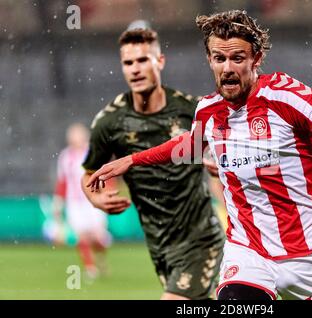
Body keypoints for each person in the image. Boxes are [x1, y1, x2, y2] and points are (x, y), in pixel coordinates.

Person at [86, 10, 312, 300]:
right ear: (210, 60)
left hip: (308, 253)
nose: (227, 68)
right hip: (248, 251)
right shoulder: (207, 111)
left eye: (237, 58)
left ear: (256, 59)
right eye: (219, 58)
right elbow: (188, 148)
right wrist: (128, 160)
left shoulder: (289, 98)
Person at [80, 28, 225, 300]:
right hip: (159, 245)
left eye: (143, 60)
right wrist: (95, 199)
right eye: (128, 62)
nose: (135, 69)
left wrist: (219, 163)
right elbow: (89, 173)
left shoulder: (191, 110)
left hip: (200, 238)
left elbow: (223, 149)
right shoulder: (110, 122)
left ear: (160, 61)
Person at [53, 123, 111, 280]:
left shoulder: (93, 153)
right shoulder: (65, 157)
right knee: (82, 236)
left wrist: (105, 194)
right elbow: (62, 181)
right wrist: (58, 202)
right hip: (75, 202)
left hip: (92, 200)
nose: (74, 139)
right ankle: (90, 268)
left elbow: (105, 175)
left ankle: (100, 258)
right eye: (72, 136)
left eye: (77, 135)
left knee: (98, 238)